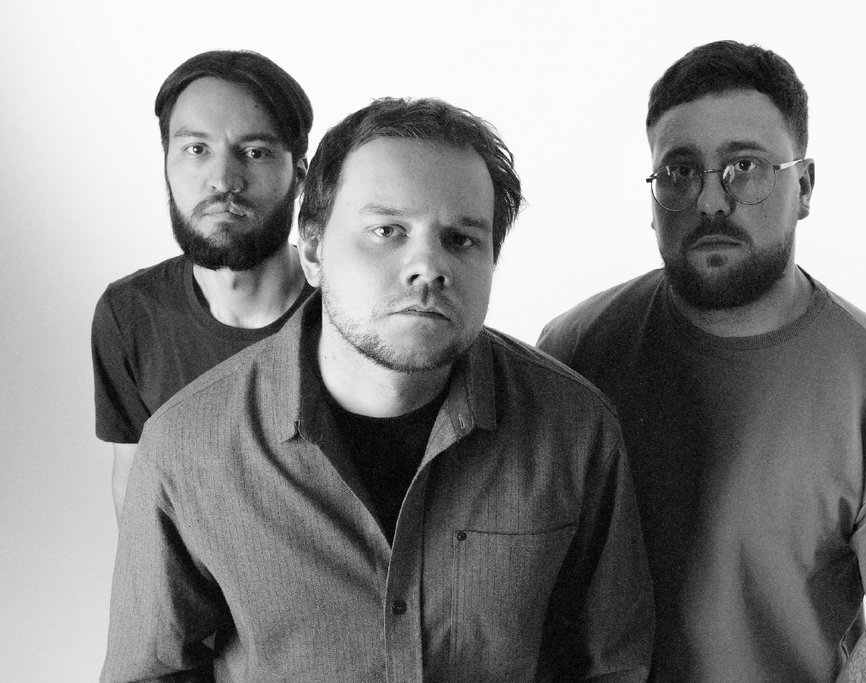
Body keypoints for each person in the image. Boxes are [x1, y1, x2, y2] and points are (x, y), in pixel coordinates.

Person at [101, 97, 654, 681]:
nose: (428, 267)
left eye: (462, 239)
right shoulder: (185, 448)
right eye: (387, 231)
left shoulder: (575, 429)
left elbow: (611, 665)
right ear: (313, 248)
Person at [538, 40, 866, 681]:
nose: (712, 201)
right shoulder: (574, 352)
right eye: (680, 171)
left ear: (805, 187)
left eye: (746, 167)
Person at [91, 50, 315, 523]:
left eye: (255, 152)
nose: (223, 181)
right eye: (196, 149)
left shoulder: (350, 312)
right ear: (167, 163)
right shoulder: (129, 313)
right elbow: (135, 481)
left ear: (299, 173)